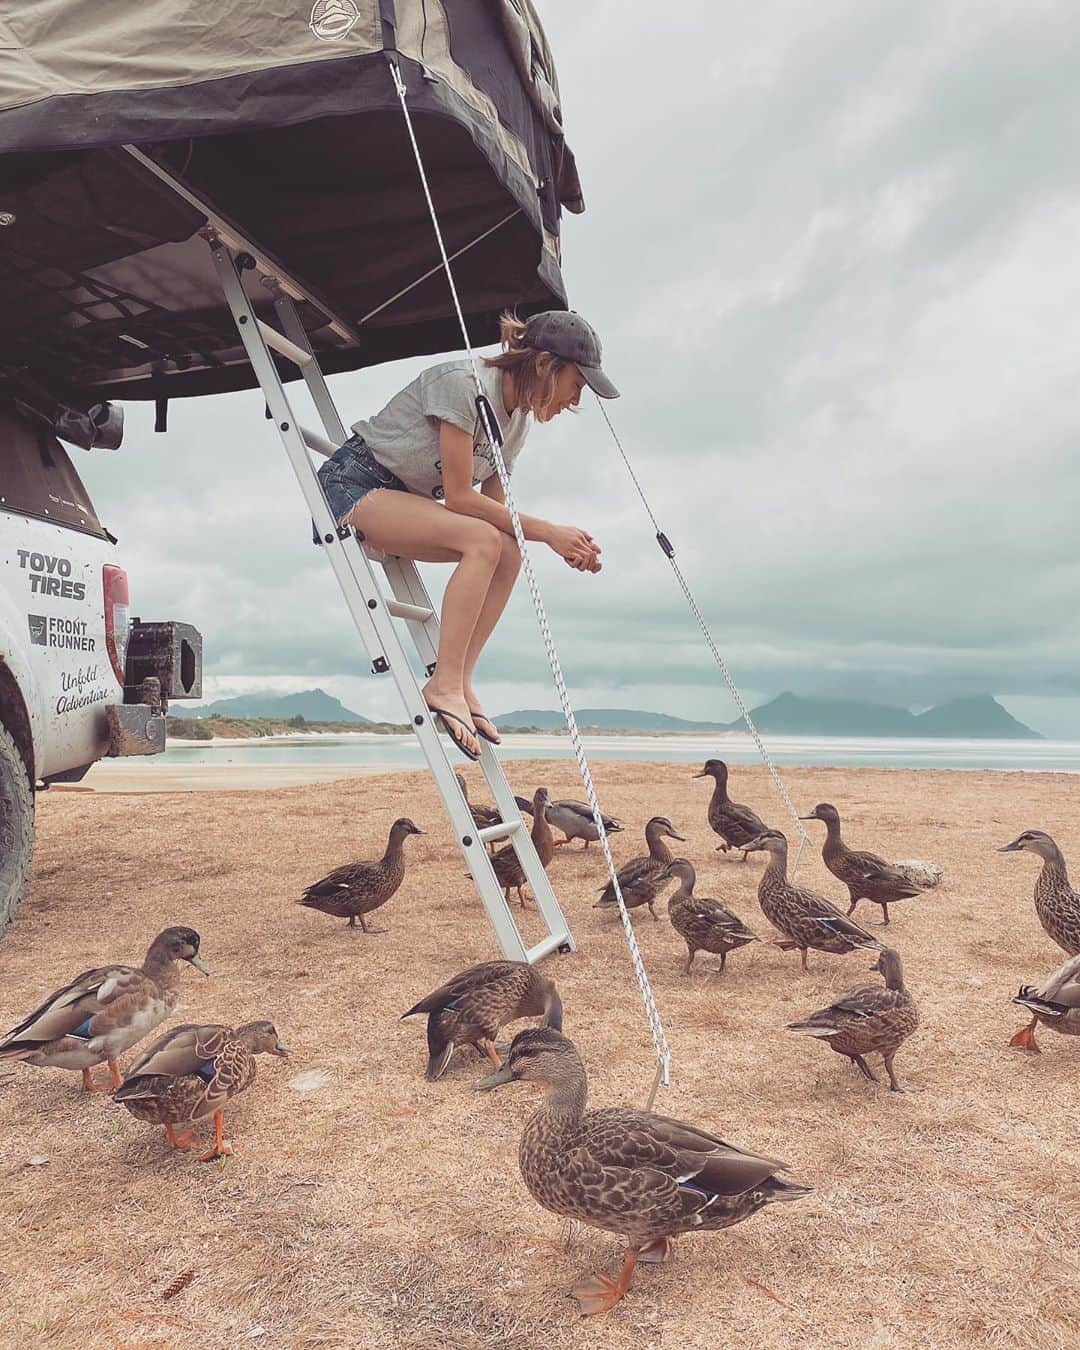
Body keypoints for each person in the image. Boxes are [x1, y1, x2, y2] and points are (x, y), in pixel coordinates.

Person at [317, 310, 619, 761]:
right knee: (483, 542)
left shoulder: (517, 422)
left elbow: (498, 514)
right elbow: (460, 498)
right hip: (355, 485)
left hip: (404, 499)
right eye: (576, 385)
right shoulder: (463, 383)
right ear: (543, 365)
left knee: (508, 550)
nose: (575, 400)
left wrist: (563, 545)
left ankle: (459, 680)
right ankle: (444, 684)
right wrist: (552, 533)